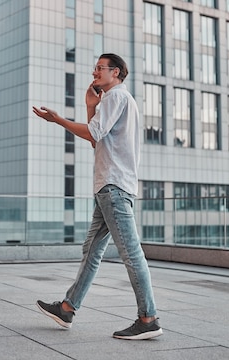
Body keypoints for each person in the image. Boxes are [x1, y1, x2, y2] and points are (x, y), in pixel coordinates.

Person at [32, 53, 162, 340]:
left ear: (115, 72)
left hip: (114, 187)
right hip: (110, 187)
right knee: (91, 250)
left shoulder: (116, 97)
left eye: (100, 68)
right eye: (95, 68)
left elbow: (93, 132)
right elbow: (96, 138)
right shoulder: (113, 100)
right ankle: (67, 308)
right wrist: (90, 106)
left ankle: (148, 317)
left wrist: (58, 120)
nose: (94, 73)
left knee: (131, 254)